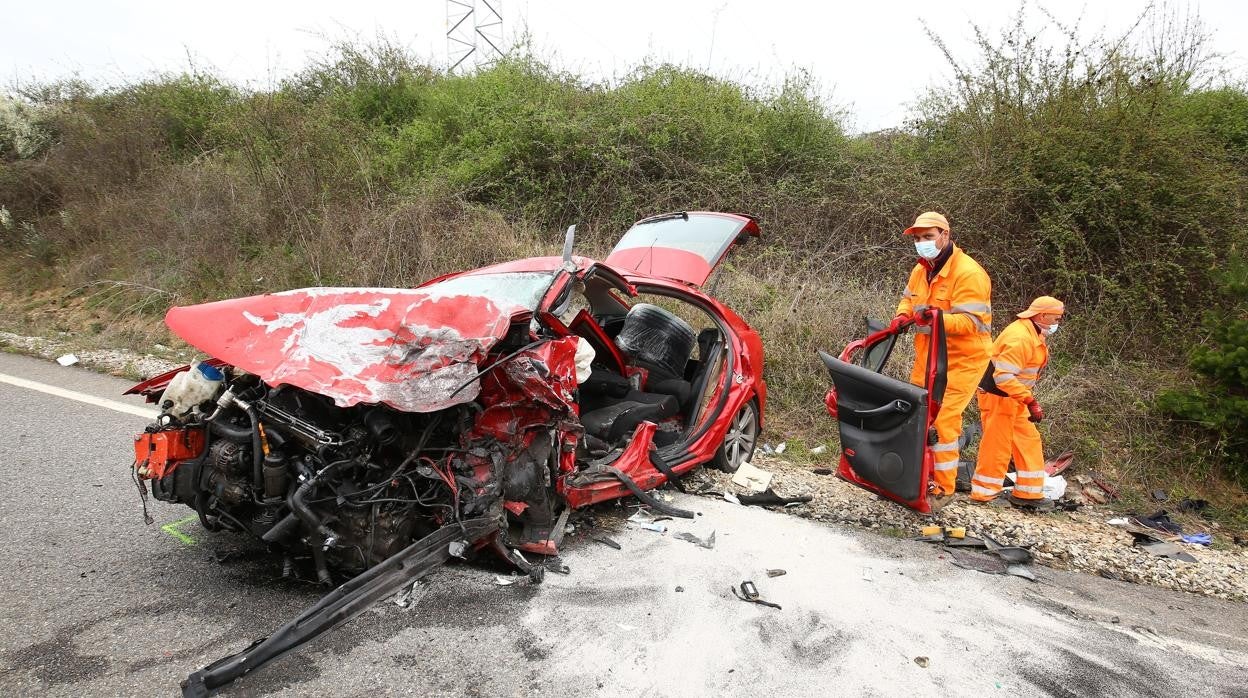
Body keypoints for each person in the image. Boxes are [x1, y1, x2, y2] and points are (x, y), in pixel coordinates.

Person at [890, 211, 993, 512]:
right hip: (929, 356)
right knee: (917, 416)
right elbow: (908, 299)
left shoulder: (969, 274)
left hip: (964, 359)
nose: (922, 243)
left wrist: (936, 318)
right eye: (918, 239)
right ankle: (914, 477)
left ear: (945, 235)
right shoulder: (921, 270)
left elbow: (972, 323)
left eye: (928, 237)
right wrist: (901, 315)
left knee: (944, 420)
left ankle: (942, 488)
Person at [969, 296, 1064, 510]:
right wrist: (1030, 400)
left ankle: (1028, 493)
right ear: (1042, 315)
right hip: (998, 397)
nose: (1057, 322)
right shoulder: (1020, 337)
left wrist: (1025, 398)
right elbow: (1003, 378)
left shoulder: (1033, 333)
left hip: (1014, 397)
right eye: (1056, 318)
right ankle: (984, 494)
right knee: (997, 445)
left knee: (1028, 440)